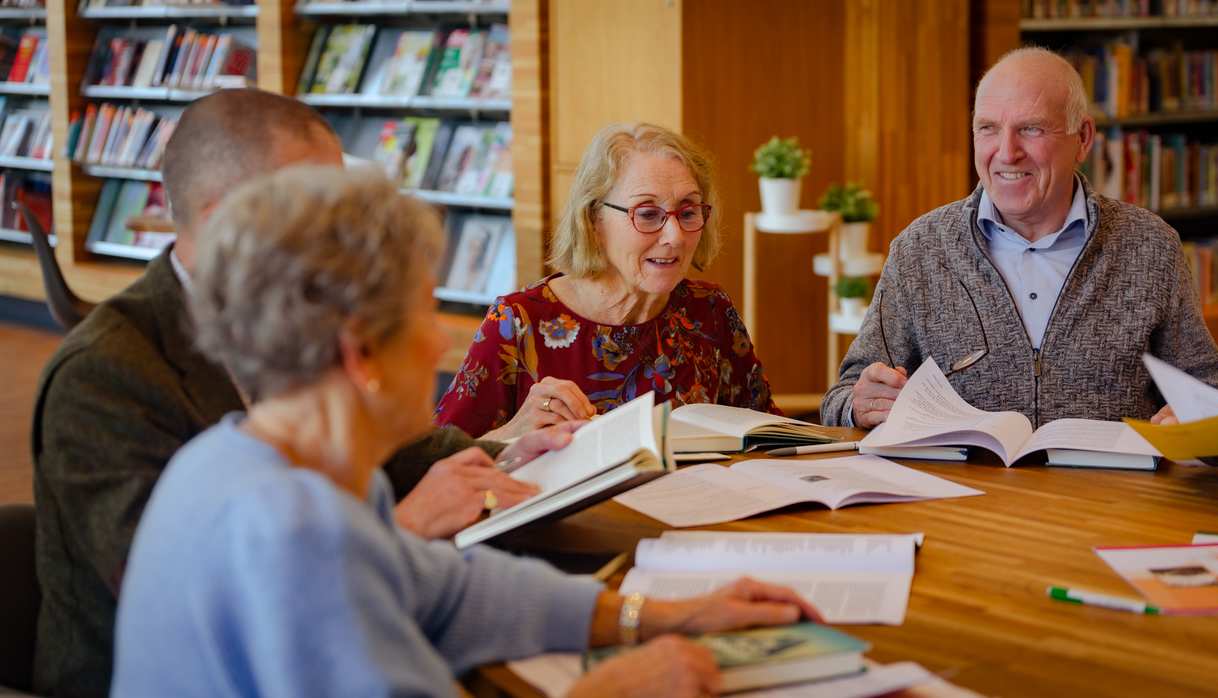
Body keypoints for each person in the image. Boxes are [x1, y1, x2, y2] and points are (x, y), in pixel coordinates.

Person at [111, 166, 823, 697]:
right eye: (424, 315)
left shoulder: (241, 459)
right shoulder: (295, 531)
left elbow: (453, 591)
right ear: (361, 355)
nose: (439, 344)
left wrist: (666, 614)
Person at [30, 89, 541, 698]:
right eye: (315, 205)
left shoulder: (293, 309)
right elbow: (187, 592)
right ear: (226, 219)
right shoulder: (102, 375)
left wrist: (502, 452)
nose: (346, 231)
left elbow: (387, 437)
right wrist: (396, 531)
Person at [821, 48, 1218, 429]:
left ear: (1083, 139)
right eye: (987, 129)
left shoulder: (1150, 247)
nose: (1006, 152)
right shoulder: (921, 249)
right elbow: (840, 399)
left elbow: (1216, 399)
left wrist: (1197, 418)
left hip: (1112, 506)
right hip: (961, 505)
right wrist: (859, 406)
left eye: (1031, 129)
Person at [437, 122, 778, 440]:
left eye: (687, 212)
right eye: (647, 214)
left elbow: (764, 431)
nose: (674, 236)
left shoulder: (710, 310)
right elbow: (436, 469)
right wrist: (515, 432)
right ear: (593, 221)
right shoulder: (518, 321)